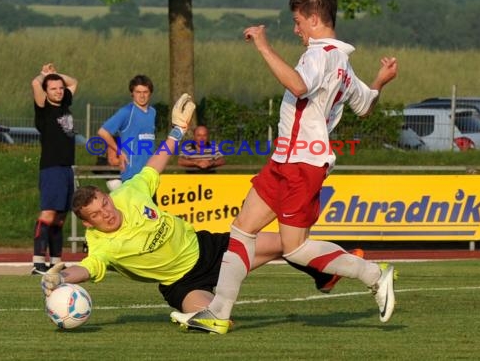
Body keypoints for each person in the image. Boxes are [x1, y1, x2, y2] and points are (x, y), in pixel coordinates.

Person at [171, 0, 399, 334]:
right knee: (241, 230)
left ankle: (375, 274)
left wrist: (263, 45)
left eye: (297, 22)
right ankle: (218, 312)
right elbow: (365, 106)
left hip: (302, 163)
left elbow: (297, 85)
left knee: (296, 250)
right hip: (286, 160)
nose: (296, 30)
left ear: (314, 19)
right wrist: (380, 81)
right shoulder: (342, 61)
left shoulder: (319, 54)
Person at [40, 95, 350, 314]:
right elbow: (88, 269)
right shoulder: (101, 245)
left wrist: (177, 131)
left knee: (289, 243)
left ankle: (330, 271)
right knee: (213, 317)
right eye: (96, 215)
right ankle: (209, 308)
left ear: (108, 197)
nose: (106, 213)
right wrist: (61, 278)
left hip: (208, 248)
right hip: (181, 284)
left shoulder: (130, 193)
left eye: (104, 204)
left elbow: (155, 164)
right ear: (89, 224)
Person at [31, 63, 78, 273]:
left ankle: (56, 261)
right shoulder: (43, 109)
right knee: (48, 214)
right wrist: (45, 76)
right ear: (46, 92)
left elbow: (73, 82)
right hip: (52, 168)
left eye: (60, 88)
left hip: (67, 168)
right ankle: (38, 263)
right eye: (53, 88)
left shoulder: (65, 103)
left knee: (60, 217)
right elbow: (35, 84)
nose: (59, 91)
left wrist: (57, 75)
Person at [97, 74, 156, 190]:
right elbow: (103, 132)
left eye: (145, 92)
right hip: (132, 174)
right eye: (138, 92)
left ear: (150, 93)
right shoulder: (126, 112)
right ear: (132, 93)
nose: (142, 96)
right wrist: (119, 151)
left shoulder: (152, 112)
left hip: (150, 173)